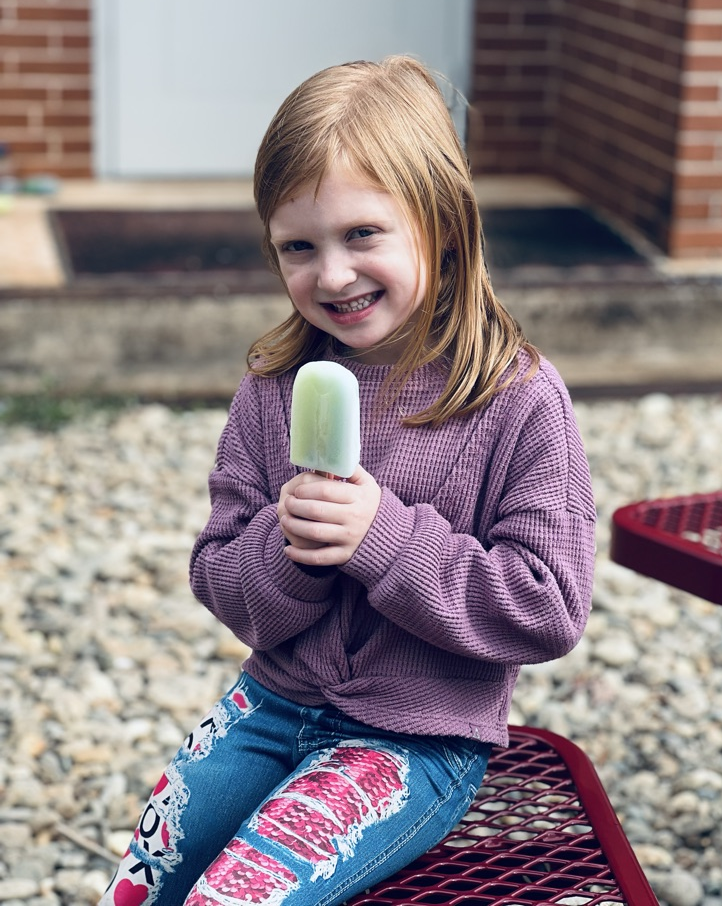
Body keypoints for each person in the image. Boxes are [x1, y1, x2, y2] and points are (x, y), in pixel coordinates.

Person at [99, 55, 596, 906]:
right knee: (141, 887)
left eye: (362, 235)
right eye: (299, 246)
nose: (331, 276)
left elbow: (548, 606)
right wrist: (290, 549)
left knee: (234, 899)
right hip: (268, 705)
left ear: (441, 224)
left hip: (415, 741)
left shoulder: (516, 400)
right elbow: (217, 574)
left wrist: (384, 541)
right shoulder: (273, 386)